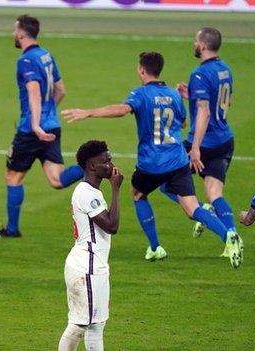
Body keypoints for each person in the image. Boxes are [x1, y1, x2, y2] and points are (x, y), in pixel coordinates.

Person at [61, 52, 242, 268]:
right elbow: (183, 124)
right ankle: (228, 235)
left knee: (138, 194)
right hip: (178, 160)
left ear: (141, 70)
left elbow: (121, 110)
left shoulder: (140, 94)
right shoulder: (174, 95)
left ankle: (155, 247)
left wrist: (89, 112)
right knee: (192, 207)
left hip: (152, 163)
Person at [1, 15, 83, 238]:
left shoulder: (26, 60)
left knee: (13, 177)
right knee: (56, 180)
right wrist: (48, 115)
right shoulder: (46, 55)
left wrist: (36, 124)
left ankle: (12, 228)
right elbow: (61, 90)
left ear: (20, 33)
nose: (12, 34)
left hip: (31, 130)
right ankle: (89, 168)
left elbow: (34, 91)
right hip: (52, 126)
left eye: (14, 29)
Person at [160, 28, 238, 239]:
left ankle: (201, 210)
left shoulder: (200, 73)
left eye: (196, 40)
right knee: (215, 193)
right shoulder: (225, 69)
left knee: (164, 180)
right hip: (225, 140)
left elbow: (204, 111)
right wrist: (191, 95)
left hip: (204, 143)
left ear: (203, 45)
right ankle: (232, 236)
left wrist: (195, 147)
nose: (194, 43)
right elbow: (226, 102)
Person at [58, 140, 122, 351]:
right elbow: (112, 226)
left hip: (91, 265)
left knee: (91, 325)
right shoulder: (86, 193)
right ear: (92, 166)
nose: (111, 164)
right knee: (84, 325)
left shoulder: (91, 191)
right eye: (106, 161)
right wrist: (116, 189)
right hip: (87, 267)